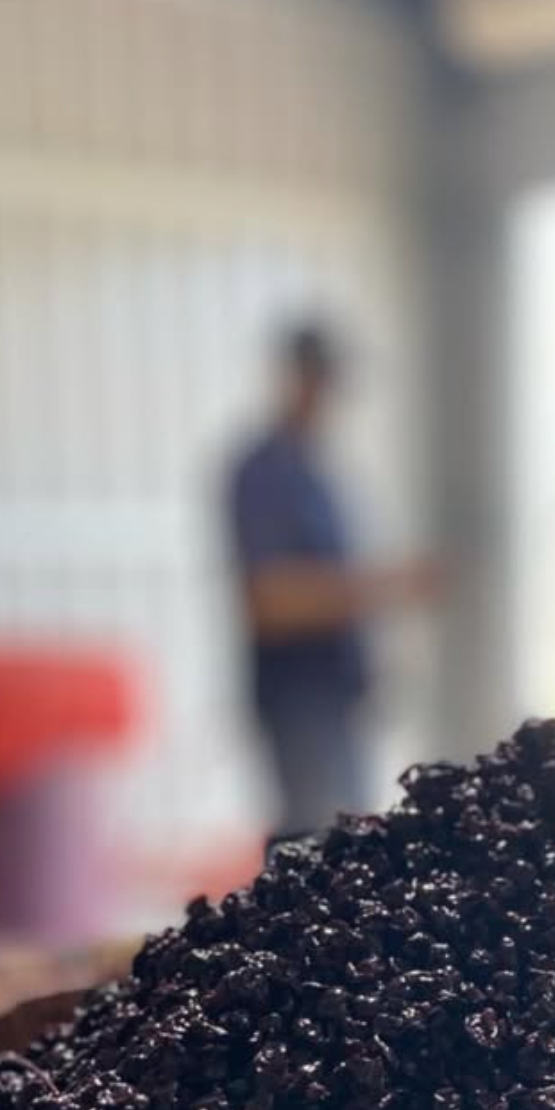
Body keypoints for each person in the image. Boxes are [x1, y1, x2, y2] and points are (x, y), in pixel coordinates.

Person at [227, 320, 431, 843]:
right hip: (299, 697)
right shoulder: (265, 474)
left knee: (349, 838)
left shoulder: (319, 472)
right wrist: (384, 587)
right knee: (316, 844)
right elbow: (270, 600)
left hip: (338, 694)